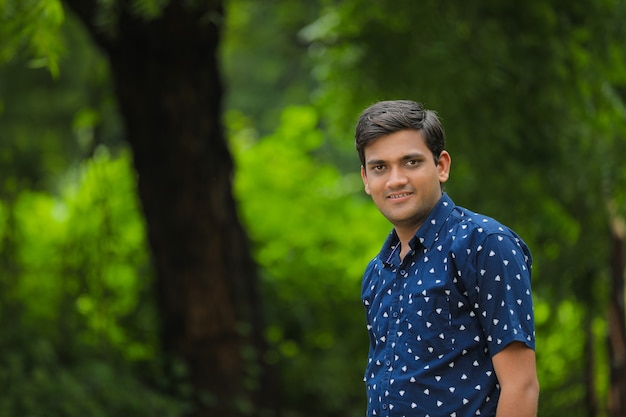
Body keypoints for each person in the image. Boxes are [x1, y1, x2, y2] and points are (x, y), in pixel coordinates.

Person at [355, 100, 539, 417]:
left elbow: (521, 385)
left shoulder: (484, 244)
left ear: (441, 166)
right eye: (380, 167)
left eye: (411, 162)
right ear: (366, 179)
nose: (395, 180)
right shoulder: (377, 271)